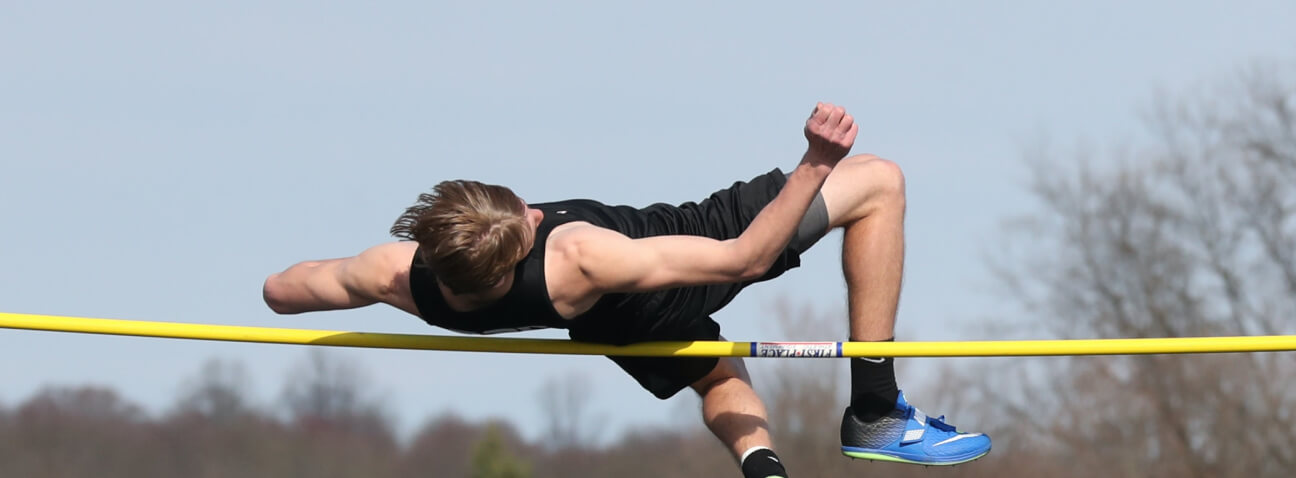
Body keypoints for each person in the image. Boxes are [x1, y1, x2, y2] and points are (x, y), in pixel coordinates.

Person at [263, 103, 990, 477]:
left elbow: (282, 290)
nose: (537, 210)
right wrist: (814, 164)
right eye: (528, 221)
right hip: (668, 262)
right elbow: (740, 258)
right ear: (523, 249)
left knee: (718, 378)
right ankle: (874, 412)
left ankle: (763, 468)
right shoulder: (580, 255)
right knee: (878, 182)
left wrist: (313, 287)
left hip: (610, 329)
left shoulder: (400, 280)